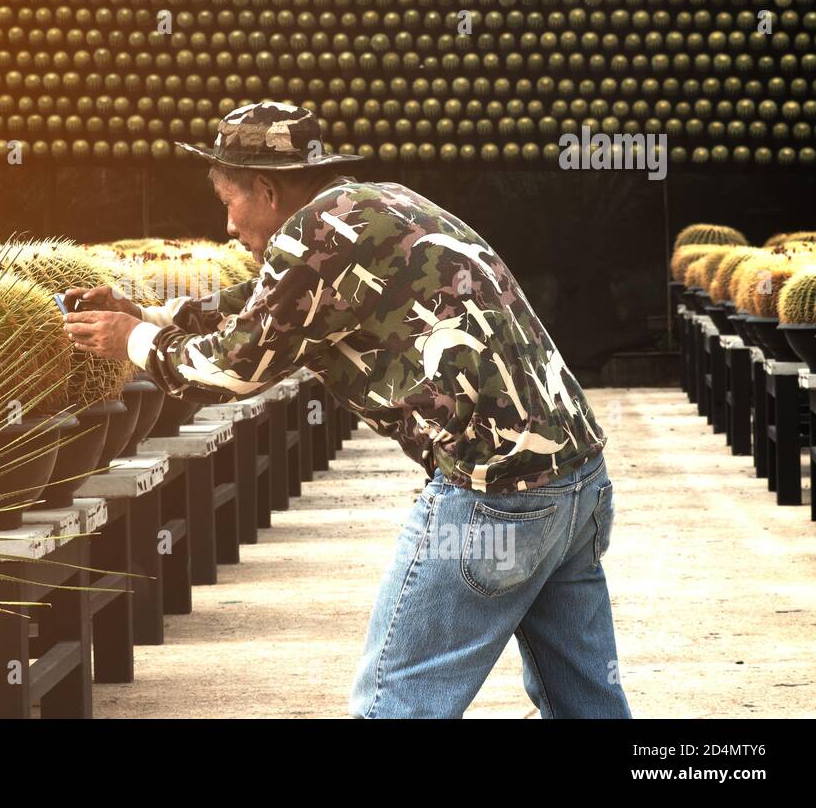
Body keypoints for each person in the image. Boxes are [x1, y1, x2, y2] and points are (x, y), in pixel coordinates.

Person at [62, 100, 632, 719]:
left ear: (266, 188)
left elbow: (232, 370)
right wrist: (150, 313)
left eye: (230, 201)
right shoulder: (375, 203)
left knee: (396, 699)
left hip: (498, 492)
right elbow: (272, 304)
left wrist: (133, 341)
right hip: (578, 483)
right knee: (587, 700)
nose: (228, 225)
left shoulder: (314, 234)